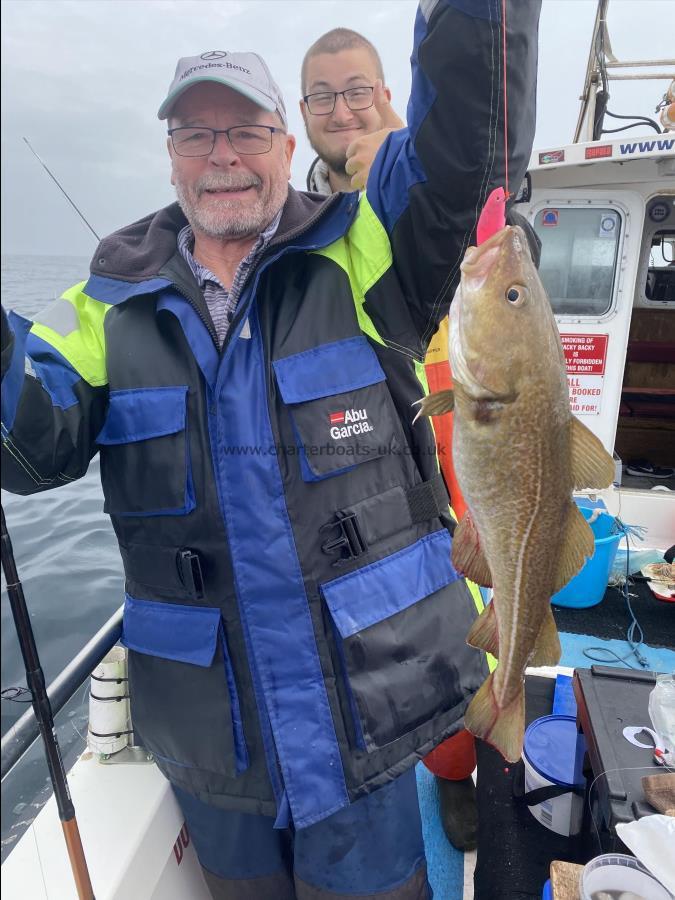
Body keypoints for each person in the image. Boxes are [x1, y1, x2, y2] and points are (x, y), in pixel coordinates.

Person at [1, 3, 541, 897]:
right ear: (169, 153)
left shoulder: (362, 247)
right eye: (195, 133)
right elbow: (29, 452)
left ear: (287, 145)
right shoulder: (103, 304)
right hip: (216, 753)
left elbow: (465, 158)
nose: (222, 155)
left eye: (246, 129)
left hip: (366, 731)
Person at [300, 26, 483, 853]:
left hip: (458, 437)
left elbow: (497, 227)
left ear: (388, 95)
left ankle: (456, 771)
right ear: (301, 115)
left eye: (359, 90)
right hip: (361, 455)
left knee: (461, 626)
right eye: (324, 96)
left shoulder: (426, 187)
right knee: (382, 641)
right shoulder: (296, 219)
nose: (344, 110)